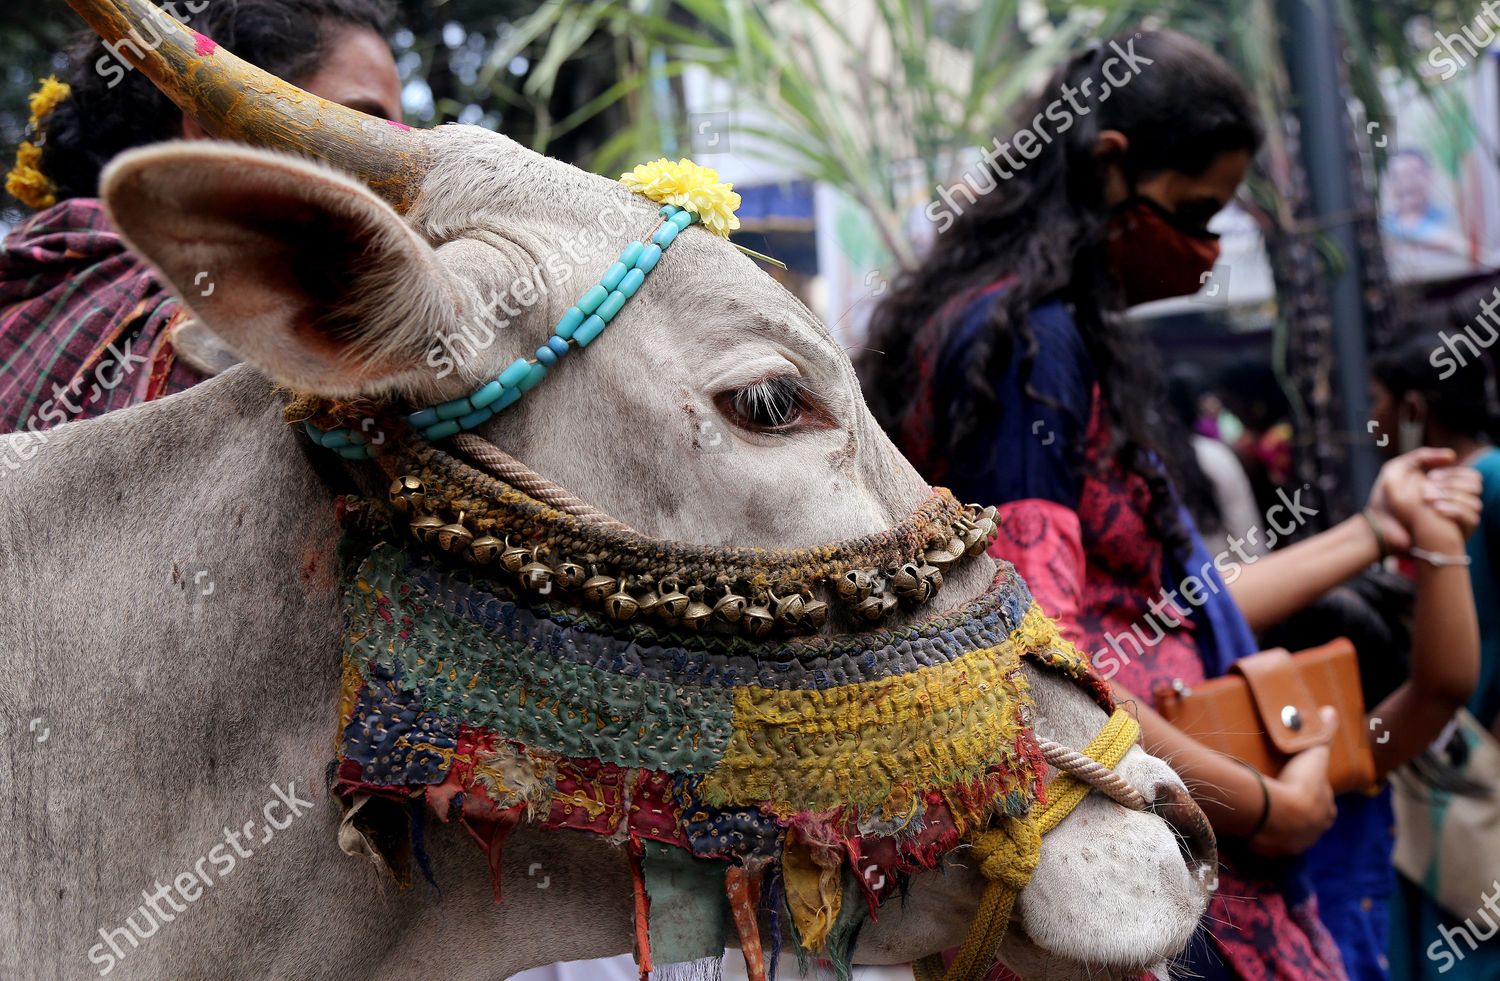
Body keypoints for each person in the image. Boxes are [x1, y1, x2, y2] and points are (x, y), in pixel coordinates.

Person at [860, 29, 1480, 980]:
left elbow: (1168, 609)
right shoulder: (1033, 344)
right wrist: (1266, 810)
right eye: (1195, 213)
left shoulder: (997, 327)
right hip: (1138, 842)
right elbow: (1042, 655)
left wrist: (1373, 530)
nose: (1206, 250)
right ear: (1112, 168)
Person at [0, 0, 401, 435]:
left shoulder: (34, 291)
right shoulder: (251, 333)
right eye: (365, 128)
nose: (400, 163)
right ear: (217, 128)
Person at [1368, 328, 1500, 981]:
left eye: (1378, 402)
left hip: (1477, 749)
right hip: (1446, 750)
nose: (1372, 420)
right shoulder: (1438, 495)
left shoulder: (1489, 479)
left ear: (1415, 408)